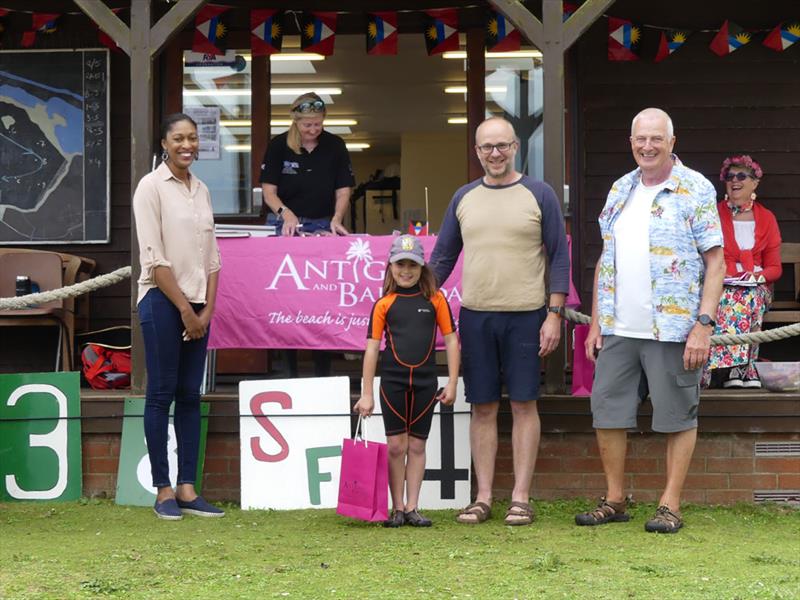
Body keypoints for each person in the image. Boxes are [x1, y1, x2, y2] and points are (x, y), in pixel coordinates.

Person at [576, 108, 725, 533]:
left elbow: (715, 262)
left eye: (656, 138)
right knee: (606, 410)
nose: (648, 146)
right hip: (620, 327)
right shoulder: (620, 189)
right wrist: (597, 321)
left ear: (672, 142)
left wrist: (703, 324)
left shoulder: (694, 188)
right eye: (640, 139)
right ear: (631, 142)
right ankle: (615, 499)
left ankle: (670, 504)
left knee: (677, 414)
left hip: (674, 328)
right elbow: (607, 257)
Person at [430, 117, 570, 526]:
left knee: (526, 404)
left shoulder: (539, 194)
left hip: (528, 316)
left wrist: (554, 314)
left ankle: (521, 498)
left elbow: (559, 255)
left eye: (502, 146)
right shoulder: (463, 197)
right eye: (487, 147)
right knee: (483, 406)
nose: (495, 153)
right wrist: (410, 299)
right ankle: (485, 497)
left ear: (515, 148)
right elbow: (441, 258)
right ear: (477, 152)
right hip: (476, 316)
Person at [133, 113, 224, 520]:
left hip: (198, 307)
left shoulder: (201, 189)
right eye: (178, 139)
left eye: (192, 138)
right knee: (161, 394)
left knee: (190, 394)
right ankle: (164, 490)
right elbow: (154, 260)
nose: (187, 145)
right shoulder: (150, 188)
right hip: (162, 302)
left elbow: (213, 256)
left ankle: (188, 487)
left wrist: (207, 309)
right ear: (164, 143)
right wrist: (187, 311)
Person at [353, 235, 460, 528]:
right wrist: (366, 393)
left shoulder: (436, 299)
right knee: (396, 446)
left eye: (412, 265)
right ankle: (397, 508)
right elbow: (372, 348)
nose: (406, 270)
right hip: (393, 382)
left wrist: (451, 382)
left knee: (417, 446)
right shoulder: (383, 304)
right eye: (400, 264)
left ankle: (413, 507)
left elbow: (451, 341)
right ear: (390, 267)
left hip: (426, 382)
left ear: (422, 267)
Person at [260, 92, 355, 377]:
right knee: (287, 298)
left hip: (321, 224)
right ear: (296, 121)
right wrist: (284, 213)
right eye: (307, 125)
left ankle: (322, 370)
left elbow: (343, 190)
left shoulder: (335, 146)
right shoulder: (278, 146)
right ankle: (287, 369)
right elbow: (268, 191)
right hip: (285, 225)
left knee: (319, 298)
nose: (313, 130)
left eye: (318, 124)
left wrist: (337, 219)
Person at [703, 155, 782, 389]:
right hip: (720, 283)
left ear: (755, 183)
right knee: (728, 295)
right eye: (729, 177)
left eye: (741, 176)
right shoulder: (714, 215)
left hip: (757, 287)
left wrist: (755, 277)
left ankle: (737, 369)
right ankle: (738, 369)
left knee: (748, 295)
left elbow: (775, 268)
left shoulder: (767, 218)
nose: (734, 181)